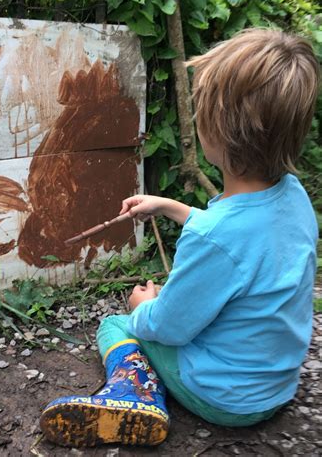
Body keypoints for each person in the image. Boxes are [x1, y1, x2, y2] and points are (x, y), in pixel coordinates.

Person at [39, 28, 320, 448]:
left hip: (227, 400)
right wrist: (170, 206)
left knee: (117, 325)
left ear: (215, 131)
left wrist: (143, 307)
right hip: (274, 387)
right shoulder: (293, 197)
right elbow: (243, 243)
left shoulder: (215, 238)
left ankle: (135, 391)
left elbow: (170, 327)